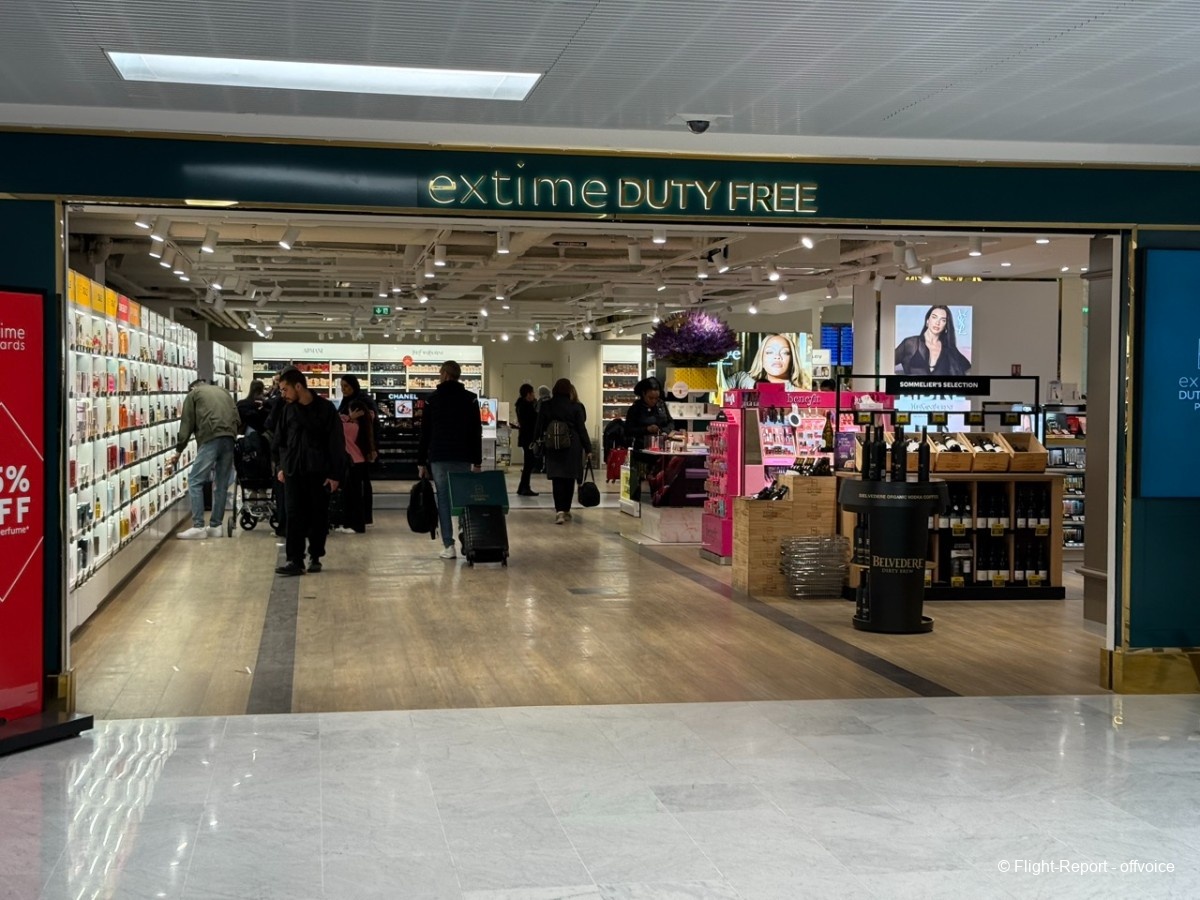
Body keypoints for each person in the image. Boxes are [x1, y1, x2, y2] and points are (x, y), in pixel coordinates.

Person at [271, 366, 346, 575]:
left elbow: (336, 443)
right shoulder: (288, 410)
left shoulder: (325, 409)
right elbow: (280, 440)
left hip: (319, 472)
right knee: (293, 514)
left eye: (285, 389)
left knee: (318, 515)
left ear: (298, 386)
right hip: (293, 471)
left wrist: (335, 474)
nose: (283, 394)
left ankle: (316, 555)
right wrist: (281, 466)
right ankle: (295, 560)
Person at [417, 360, 483, 560]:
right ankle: (467, 535)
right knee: (463, 498)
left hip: (439, 456)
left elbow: (425, 433)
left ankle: (449, 545)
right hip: (462, 455)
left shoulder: (432, 400)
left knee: (443, 500)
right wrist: (477, 461)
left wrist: (421, 461)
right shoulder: (470, 399)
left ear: (445, 374)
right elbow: (475, 431)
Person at [172, 379, 240, 540]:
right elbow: (237, 417)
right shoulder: (223, 391)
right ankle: (216, 526)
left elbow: (187, 423)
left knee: (195, 480)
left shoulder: (194, 394)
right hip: (230, 437)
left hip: (211, 437)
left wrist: (179, 450)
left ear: (193, 387)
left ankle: (198, 526)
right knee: (221, 483)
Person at [534, 378, 592, 525]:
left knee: (557, 479)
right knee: (569, 478)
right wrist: (588, 448)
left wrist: (536, 440)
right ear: (569, 390)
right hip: (572, 445)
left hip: (553, 445)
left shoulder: (547, 405)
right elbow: (581, 429)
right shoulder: (576, 406)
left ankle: (559, 511)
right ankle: (566, 509)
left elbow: (539, 426)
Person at [337, 375, 377, 525]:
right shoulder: (347, 402)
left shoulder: (361, 402)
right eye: (342, 386)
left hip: (359, 449)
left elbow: (368, 424)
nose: (343, 389)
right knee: (358, 484)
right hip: (353, 450)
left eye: (346, 386)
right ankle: (361, 516)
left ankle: (360, 517)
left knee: (359, 485)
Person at [894, 304, 972, 376]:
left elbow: (969, 370)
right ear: (927, 321)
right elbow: (888, 362)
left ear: (946, 326)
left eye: (943, 320)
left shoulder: (950, 349)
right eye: (934, 317)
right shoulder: (909, 344)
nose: (937, 322)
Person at [727, 333, 808, 390]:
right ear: (761, 359)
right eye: (770, 352)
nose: (777, 356)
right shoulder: (742, 380)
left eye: (785, 352)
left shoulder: (803, 395)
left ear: (792, 359)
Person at [622, 377, 675, 451]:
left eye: (656, 398)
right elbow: (628, 430)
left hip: (661, 447)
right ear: (643, 394)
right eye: (650, 398)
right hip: (642, 448)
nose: (654, 401)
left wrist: (664, 431)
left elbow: (671, 422)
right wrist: (646, 429)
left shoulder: (661, 405)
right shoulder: (636, 408)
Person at [514, 383, 540, 496]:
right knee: (529, 463)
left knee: (528, 463)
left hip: (525, 437)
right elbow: (532, 420)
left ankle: (523, 487)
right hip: (528, 438)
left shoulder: (520, 405)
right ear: (528, 394)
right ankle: (525, 487)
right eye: (532, 392)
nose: (534, 395)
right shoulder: (527, 406)